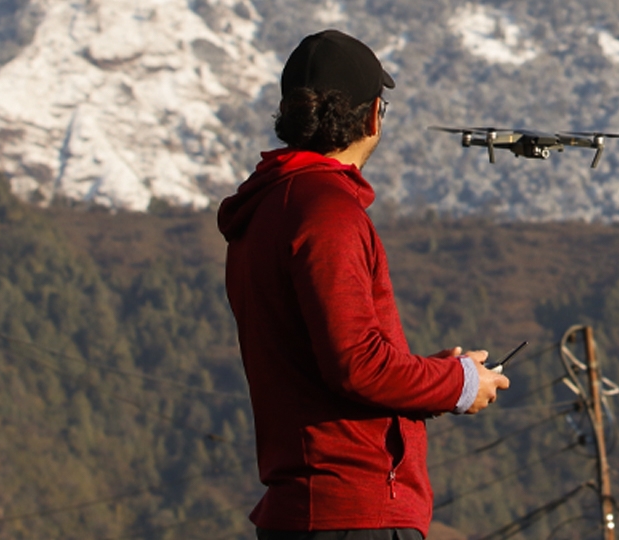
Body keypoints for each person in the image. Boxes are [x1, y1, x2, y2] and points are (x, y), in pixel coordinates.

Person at [217, 29, 511, 540]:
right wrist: (459, 383)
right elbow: (356, 365)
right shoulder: (326, 212)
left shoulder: (267, 210)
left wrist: (427, 377)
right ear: (373, 116)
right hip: (354, 514)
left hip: (308, 509)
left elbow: (333, 360)